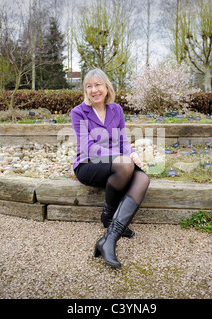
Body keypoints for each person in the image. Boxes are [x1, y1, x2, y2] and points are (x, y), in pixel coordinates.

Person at [71, 68, 150, 268]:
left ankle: (110, 236)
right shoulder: (78, 112)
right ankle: (108, 219)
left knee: (143, 179)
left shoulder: (117, 110)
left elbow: (123, 141)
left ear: (106, 87)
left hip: (118, 164)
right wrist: (121, 157)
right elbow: (87, 147)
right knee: (124, 165)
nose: (93, 90)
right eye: (89, 86)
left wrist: (132, 153)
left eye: (97, 85)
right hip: (88, 164)